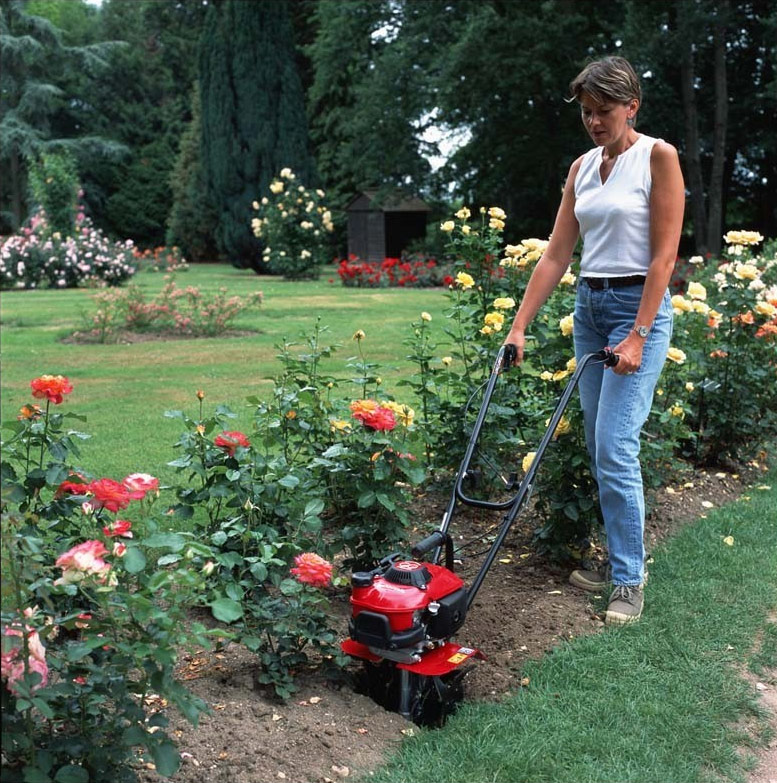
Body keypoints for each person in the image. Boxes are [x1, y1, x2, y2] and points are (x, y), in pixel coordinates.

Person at [503, 56, 685, 625]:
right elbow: (557, 253)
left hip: (638, 307)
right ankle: (620, 562)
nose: (594, 122)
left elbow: (663, 256)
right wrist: (519, 324)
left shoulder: (658, 157)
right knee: (598, 442)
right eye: (586, 112)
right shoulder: (582, 166)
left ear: (632, 106)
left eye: (603, 111)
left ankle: (628, 578)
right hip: (589, 307)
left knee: (614, 446)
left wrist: (638, 334)